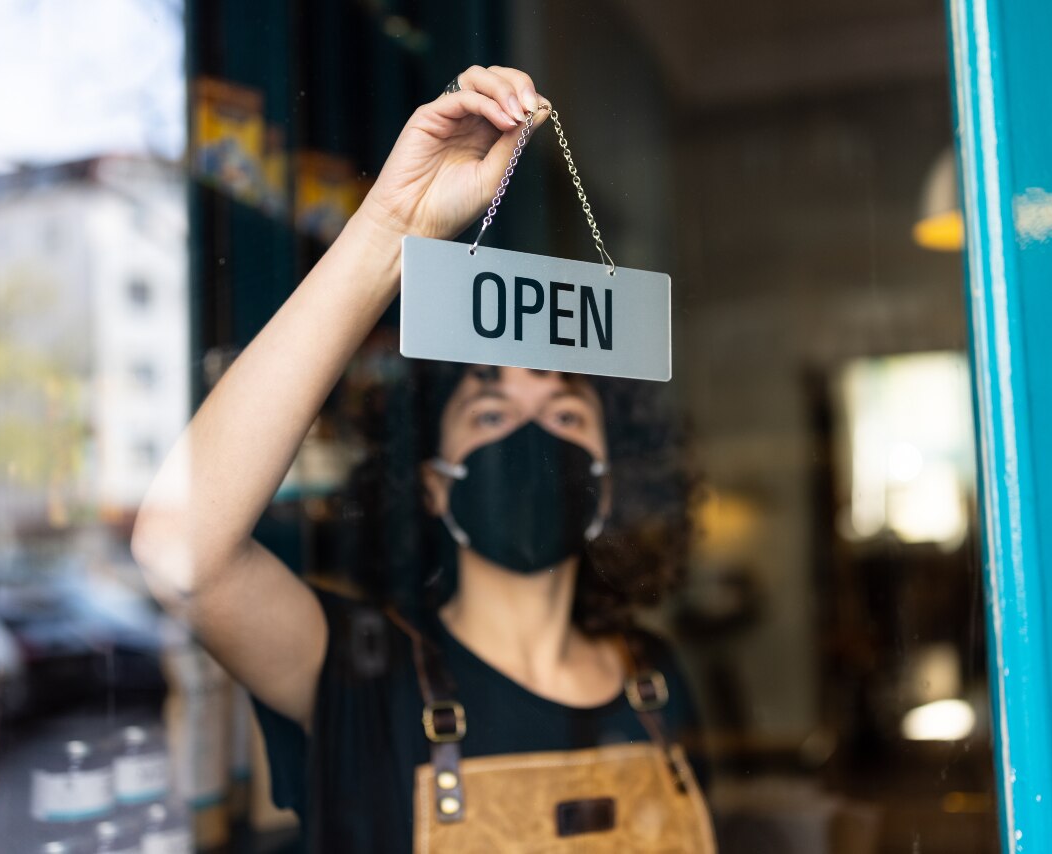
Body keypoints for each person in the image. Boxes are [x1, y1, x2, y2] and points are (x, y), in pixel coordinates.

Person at [131, 65, 714, 852]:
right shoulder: (357, 673)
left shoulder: (658, 681)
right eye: (490, 411)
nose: (532, 435)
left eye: (566, 412)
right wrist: (389, 231)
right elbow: (181, 553)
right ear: (431, 484)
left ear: (616, 475)